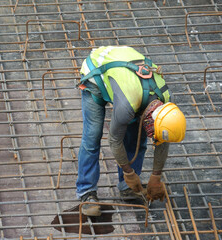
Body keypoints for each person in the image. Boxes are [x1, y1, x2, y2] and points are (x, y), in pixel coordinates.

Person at [76, 46, 186, 216]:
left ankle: (127, 188)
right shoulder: (127, 106)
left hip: (128, 78)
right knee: (92, 137)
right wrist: (129, 172)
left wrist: (156, 176)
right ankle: (86, 192)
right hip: (96, 72)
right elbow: (114, 140)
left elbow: (163, 140)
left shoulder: (166, 102)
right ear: (150, 121)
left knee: (136, 139)